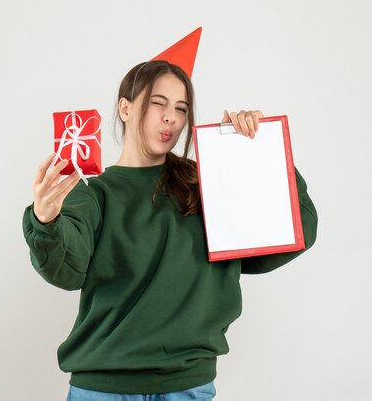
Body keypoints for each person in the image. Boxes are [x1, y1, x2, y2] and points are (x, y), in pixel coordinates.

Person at [22, 60, 318, 401]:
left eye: (181, 108)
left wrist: (255, 152)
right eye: (157, 103)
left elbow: (295, 232)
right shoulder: (92, 194)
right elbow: (66, 271)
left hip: (187, 385)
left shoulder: (208, 184)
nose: (170, 118)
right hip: (103, 388)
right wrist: (45, 221)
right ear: (125, 108)